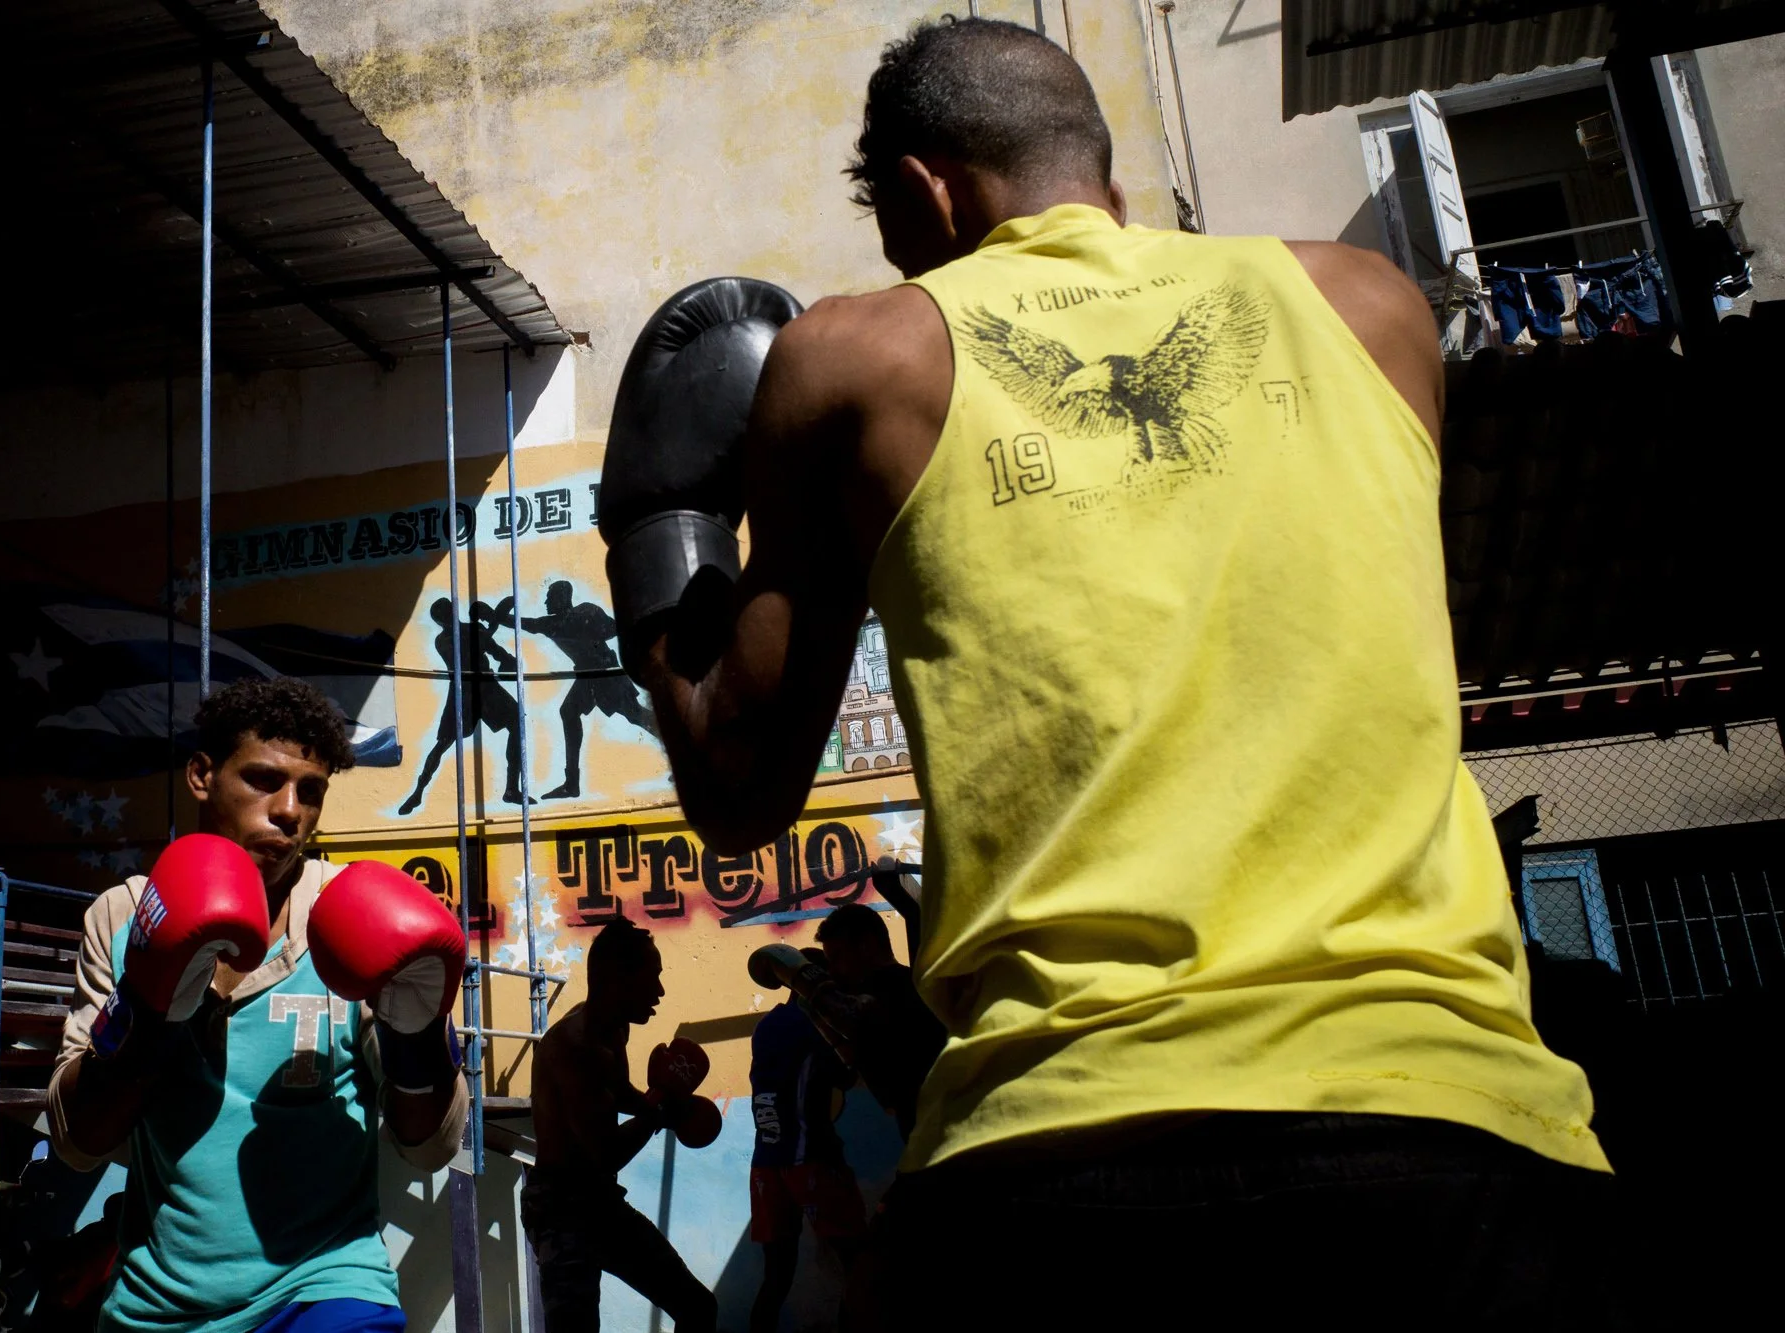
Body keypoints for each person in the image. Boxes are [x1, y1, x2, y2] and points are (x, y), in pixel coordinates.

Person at [600, 16, 1616, 1325]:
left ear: (925, 188)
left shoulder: (866, 357)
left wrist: (659, 538)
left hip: (1066, 1150)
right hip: (1466, 1136)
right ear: (1104, 169)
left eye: (894, 226)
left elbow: (736, 783)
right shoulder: (1372, 308)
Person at [48, 677, 469, 1333]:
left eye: (311, 792)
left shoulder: (354, 918)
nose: (289, 810)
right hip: (158, 1306)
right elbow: (79, 1143)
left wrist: (417, 1037)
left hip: (327, 1283)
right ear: (201, 774)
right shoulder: (126, 914)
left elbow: (430, 1148)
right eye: (264, 779)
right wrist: (147, 1009)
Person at [523, 920, 717, 1332]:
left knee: (699, 1308)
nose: (660, 993)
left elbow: (616, 1091)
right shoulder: (577, 1048)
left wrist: (663, 1108)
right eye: (653, 981)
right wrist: (655, 1108)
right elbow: (606, 1152)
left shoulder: (614, 1028)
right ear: (617, 981)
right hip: (560, 1211)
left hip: (599, 1201)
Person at [746, 948, 865, 1333]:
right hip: (810, 1158)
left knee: (775, 1278)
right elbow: (844, 1077)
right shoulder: (815, 1024)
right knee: (860, 1270)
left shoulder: (767, 1025)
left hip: (765, 1163)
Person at [809, 905, 944, 1140]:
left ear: (867, 946)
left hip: (934, 1135)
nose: (833, 971)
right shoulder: (922, 987)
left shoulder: (876, 994)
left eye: (838, 957)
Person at [515, 581, 658, 799]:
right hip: (588, 677)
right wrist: (496, 617)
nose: (546, 601)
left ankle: (684, 755)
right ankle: (571, 783)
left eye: (550, 596)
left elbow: (614, 628)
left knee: (635, 715)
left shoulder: (586, 613)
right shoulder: (554, 624)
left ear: (562, 597)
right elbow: (530, 624)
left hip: (604, 674)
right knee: (569, 713)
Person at [399, 597, 526, 813]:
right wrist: (485, 635)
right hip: (463, 692)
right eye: (444, 616)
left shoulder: (474, 630)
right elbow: (463, 655)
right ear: (441, 621)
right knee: (443, 743)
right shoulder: (444, 641)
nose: (449, 617)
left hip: (486, 687)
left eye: (449, 612)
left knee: (517, 722)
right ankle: (418, 792)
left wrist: (506, 659)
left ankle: (512, 789)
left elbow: (497, 652)